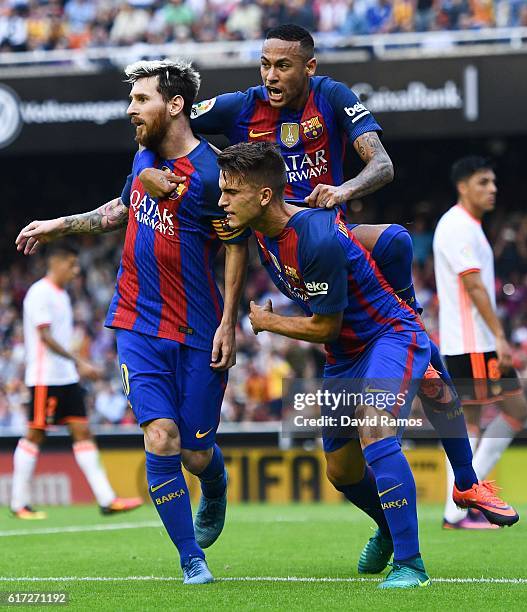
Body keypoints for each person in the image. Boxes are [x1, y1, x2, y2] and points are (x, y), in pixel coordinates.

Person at [216, 141, 519, 588]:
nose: (221, 200)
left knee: (375, 428)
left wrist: (268, 321)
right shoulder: (261, 224)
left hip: (385, 335)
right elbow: (392, 239)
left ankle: (411, 564)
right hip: (346, 356)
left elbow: (326, 328)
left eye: (229, 192)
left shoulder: (313, 236)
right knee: (341, 471)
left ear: (263, 196)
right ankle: (393, 524)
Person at [15, 60, 249, 585]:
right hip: (138, 326)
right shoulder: (143, 158)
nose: (130, 109)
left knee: (194, 451)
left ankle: (214, 481)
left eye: (141, 99)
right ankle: (192, 560)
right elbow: (121, 209)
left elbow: (236, 247)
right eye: (131, 99)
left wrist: (230, 322)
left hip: (198, 327)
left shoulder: (215, 173)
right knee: (161, 438)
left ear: (175, 105)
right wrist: (57, 225)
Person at [138, 23, 393, 208]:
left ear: (309, 67)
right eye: (265, 64)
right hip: (276, 236)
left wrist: (343, 190)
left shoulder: (332, 95)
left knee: (394, 241)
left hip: (330, 226)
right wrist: (145, 170)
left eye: (282, 66)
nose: (270, 76)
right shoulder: (241, 106)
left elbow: (382, 164)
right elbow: (155, 123)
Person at [433, 156, 527, 529]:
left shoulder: (468, 226)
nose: (492, 189)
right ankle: (459, 505)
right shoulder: (458, 225)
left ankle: (463, 500)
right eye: (483, 182)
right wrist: (501, 336)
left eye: (493, 182)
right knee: (474, 421)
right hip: (471, 342)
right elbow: (472, 285)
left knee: (510, 412)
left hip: (474, 341)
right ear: (463, 186)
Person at [11, 244, 143, 519]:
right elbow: (45, 337)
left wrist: (74, 366)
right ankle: (19, 503)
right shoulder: (40, 293)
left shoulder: (61, 295)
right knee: (35, 434)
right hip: (45, 377)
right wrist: (80, 362)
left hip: (66, 378)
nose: (75, 271)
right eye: (71, 265)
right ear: (56, 264)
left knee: (82, 433)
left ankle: (107, 499)